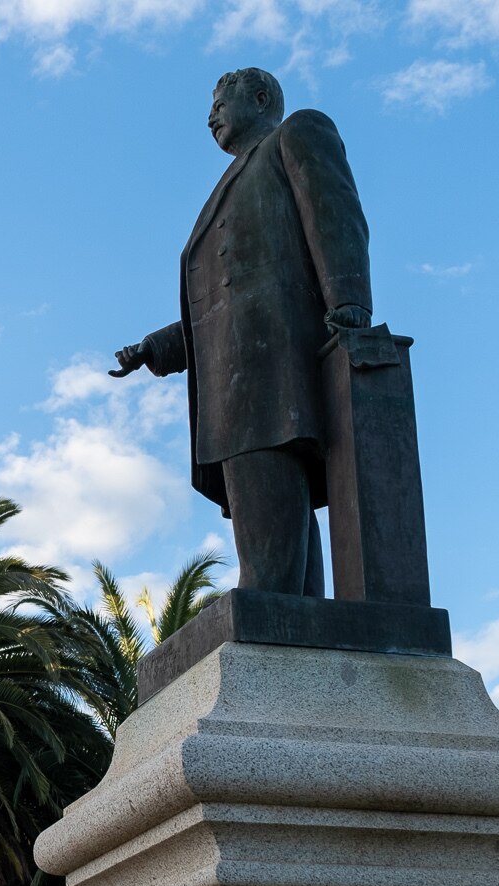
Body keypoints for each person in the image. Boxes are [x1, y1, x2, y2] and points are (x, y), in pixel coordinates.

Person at [109, 68, 373, 596]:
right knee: (287, 549)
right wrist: (156, 347)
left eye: (220, 99)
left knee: (272, 546)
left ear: (259, 97)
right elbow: (222, 305)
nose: (210, 115)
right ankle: (284, 609)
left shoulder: (295, 134)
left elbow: (337, 214)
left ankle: (264, 596)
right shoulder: (229, 186)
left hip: (275, 366)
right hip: (236, 374)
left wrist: (350, 303)